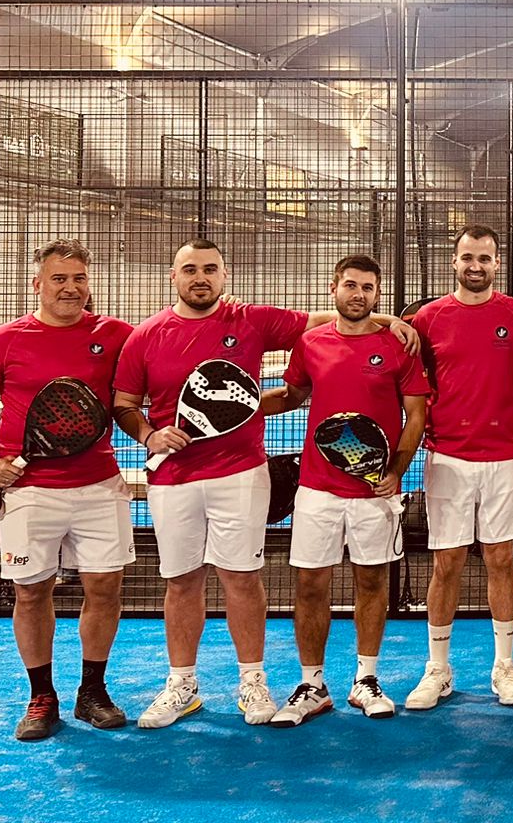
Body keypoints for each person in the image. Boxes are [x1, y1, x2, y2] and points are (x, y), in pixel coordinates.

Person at [114, 238, 314, 728]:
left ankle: (253, 682)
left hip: (241, 474)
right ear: (173, 276)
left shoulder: (250, 320)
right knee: (182, 581)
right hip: (172, 479)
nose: (200, 278)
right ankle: (182, 685)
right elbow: (124, 404)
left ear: (224, 276)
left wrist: (392, 322)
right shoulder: (145, 336)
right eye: (190, 269)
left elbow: (325, 322)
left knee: (241, 578)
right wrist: (149, 434)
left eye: (209, 269)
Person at [0, 240, 136, 740]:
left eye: (79, 278)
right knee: (31, 593)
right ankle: (41, 696)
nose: (70, 288)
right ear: (38, 284)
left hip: (100, 485)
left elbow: (140, 390)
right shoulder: (4, 340)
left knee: (105, 589)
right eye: (59, 278)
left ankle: (92, 692)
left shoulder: (116, 335)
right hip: (29, 491)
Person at [262, 255, 428, 727]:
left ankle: (366, 680)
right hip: (317, 488)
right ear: (333, 288)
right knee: (310, 585)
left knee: (372, 582)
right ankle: (312, 685)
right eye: (351, 285)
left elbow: (416, 414)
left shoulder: (398, 346)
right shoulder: (311, 343)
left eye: (368, 288)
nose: (359, 294)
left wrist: (396, 470)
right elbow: (291, 396)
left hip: (375, 492)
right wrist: (244, 409)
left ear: (378, 294)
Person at [404, 225, 513, 710]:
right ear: (454, 261)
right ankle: (438, 668)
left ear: (496, 263)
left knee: (501, 558)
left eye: (484, 258)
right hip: (447, 457)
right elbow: (416, 377)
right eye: (467, 257)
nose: (475, 266)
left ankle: (505, 665)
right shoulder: (429, 318)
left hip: (503, 456)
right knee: (447, 562)